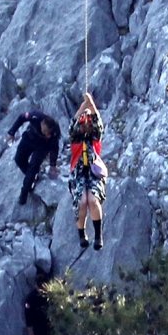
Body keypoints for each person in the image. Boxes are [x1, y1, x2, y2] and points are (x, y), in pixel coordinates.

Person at [68, 92, 106, 250]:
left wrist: (91, 105)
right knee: (82, 201)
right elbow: (73, 125)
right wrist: (85, 105)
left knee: (93, 200)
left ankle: (98, 236)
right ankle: (82, 233)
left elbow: (99, 124)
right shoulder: (76, 139)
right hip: (78, 174)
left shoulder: (95, 139)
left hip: (93, 172)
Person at [6, 111, 61, 205]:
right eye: (45, 131)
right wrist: (12, 132)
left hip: (43, 146)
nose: (47, 134)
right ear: (42, 123)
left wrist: (53, 165)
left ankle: (24, 192)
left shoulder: (55, 131)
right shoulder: (35, 116)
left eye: (49, 133)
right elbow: (21, 117)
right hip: (30, 138)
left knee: (33, 167)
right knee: (18, 159)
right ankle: (32, 177)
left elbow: (54, 149)